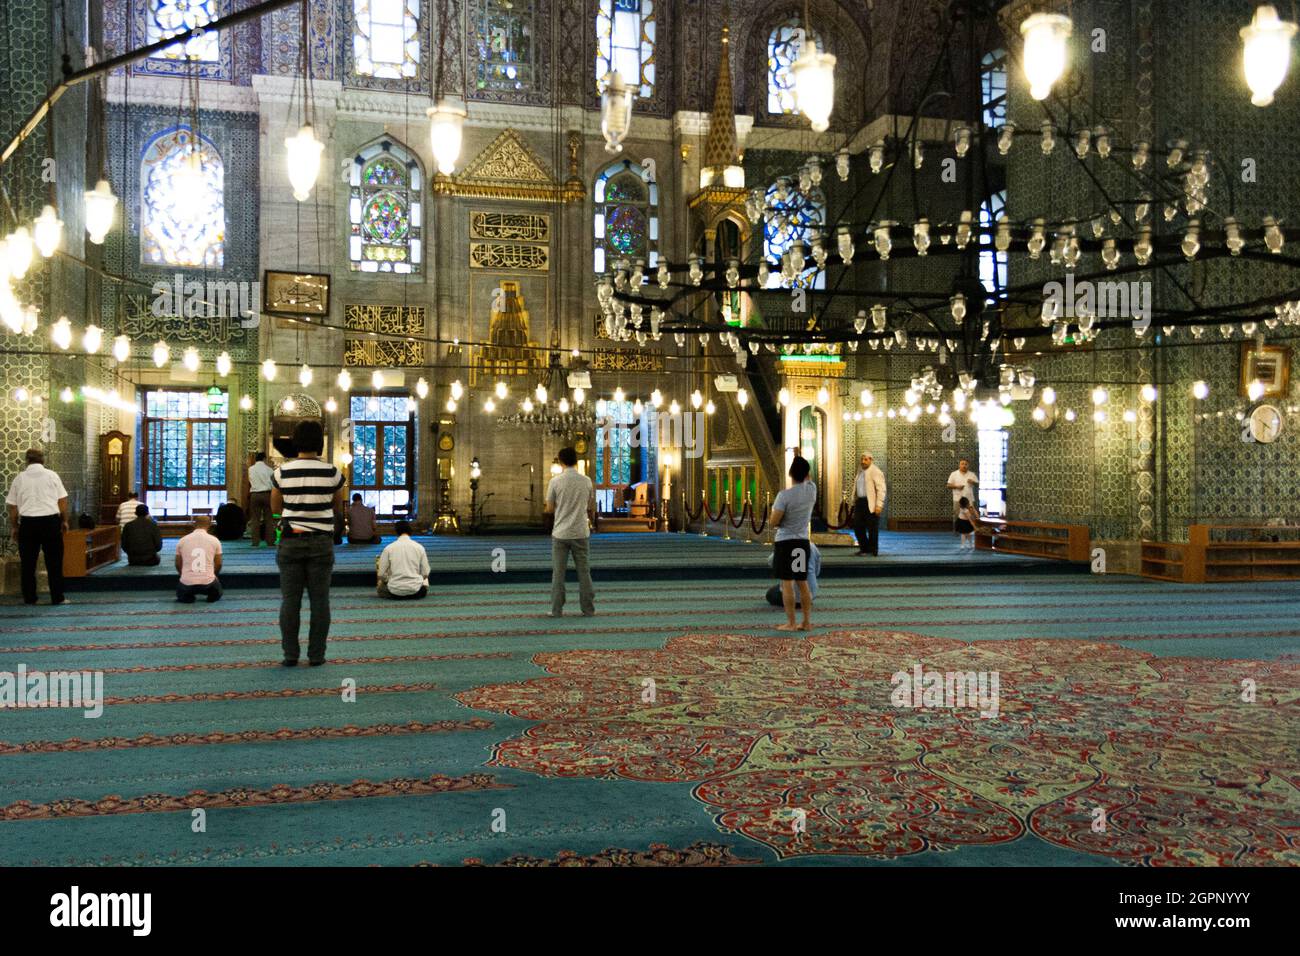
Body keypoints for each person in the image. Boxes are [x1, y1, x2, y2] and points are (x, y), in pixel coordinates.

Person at [272, 419, 346, 666]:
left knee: (290, 601)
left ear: (295, 441)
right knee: (320, 602)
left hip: (291, 541)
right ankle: (317, 655)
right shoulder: (333, 472)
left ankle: (290, 655)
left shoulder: (281, 472)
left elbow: (275, 506)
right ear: (320, 442)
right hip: (321, 543)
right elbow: (337, 507)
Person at [5, 449, 69, 606]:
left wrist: (15, 527)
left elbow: (13, 507)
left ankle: (30, 598)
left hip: (28, 524)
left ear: (26, 461)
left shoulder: (19, 479)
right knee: (54, 561)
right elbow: (62, 501)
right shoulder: (52, 476)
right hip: (50, 522)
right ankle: (57, 597)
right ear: (43, 460)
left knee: (28, 563)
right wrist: (64, 521)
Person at [545, 446, 595, 617]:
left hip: (561, 533)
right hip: (581, 532)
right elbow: (589, 506)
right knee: (584, 572)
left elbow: (550, 509)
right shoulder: (586, 481)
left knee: (558, 573)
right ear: (575, 460)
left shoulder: (555, 482)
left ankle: (556, 610)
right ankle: (588, 609)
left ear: (561, 461)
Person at [770, 455, 817, 632]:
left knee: (787, 583)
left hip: (785, 542)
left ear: (790, 474)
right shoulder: (812, 491)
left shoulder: (784, 496)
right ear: (807, 474)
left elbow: (774, 521)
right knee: (802, 582)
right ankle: (806, 621)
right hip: (802, 542)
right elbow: (809, 478)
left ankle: (790, 623)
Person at [175, 514, 223, 603]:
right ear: (210, 525)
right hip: (209, 583)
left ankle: (188, 597)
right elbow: (219, 563)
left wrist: (183, 575)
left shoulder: (182, 540)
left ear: (194, 524)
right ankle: (211, 597)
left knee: (182, 596)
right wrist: (214, 575)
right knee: (217, 594)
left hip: (186, 583)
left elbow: (177, 564)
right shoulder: (215, 540)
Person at [377, 520, 430, 599]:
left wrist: (387, 580)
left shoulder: (388, 548)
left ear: (396, 532)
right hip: (415, 590)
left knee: (381, 588)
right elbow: (425, 573)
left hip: (394, 591)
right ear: (410, 531)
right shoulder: (419, 547)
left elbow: (381, 574)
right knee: (425, 583)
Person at [852, 453, 887, 556]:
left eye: (866, 459)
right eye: (862, 459)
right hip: (860, 502)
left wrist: (879, 505)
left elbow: (881, 489)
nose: (863, 461)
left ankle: (873, 549)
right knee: (857, 526)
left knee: (872, 528)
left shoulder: (875, 471)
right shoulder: (860, 472)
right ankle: (864, 548)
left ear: (871, 460)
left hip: (871, 503)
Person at [766, 541, 821, 607]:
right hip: (810, 595)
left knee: (770, 593)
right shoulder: (812, 546)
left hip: (789, 596)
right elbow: (817, 572)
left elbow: (771, 562)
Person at [247, 452, 275, 547]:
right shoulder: (269, 469)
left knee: (255, 519)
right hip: (267, 495)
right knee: (269, 519)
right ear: (264, 459)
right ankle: (270, 542)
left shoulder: (251, 469)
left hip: (255, 495)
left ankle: (255, 542)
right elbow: (273, 483)